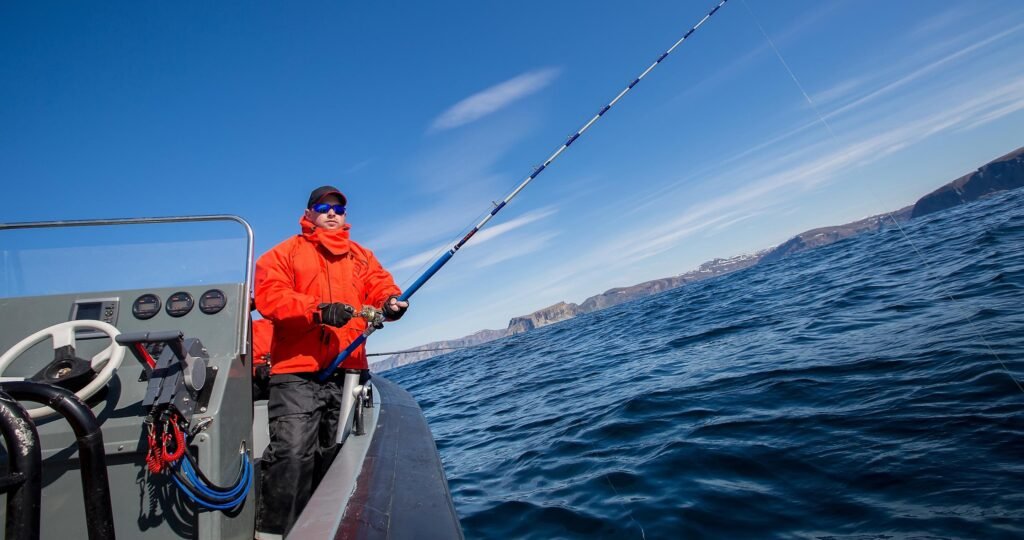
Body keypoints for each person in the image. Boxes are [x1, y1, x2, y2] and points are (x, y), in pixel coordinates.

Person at [253, 185, 408, 536]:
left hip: (350, 370)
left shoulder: (361, 255)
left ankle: (324, 527)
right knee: (292, 454)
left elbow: (380, 285)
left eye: (339, 208)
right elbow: (270, 297)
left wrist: (393, 302)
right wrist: (319, 311)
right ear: (309, 214)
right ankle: (274, 533)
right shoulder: (281, 254)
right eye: (324, 207)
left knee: (336, 455)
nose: (332, 213)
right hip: (296, 373)